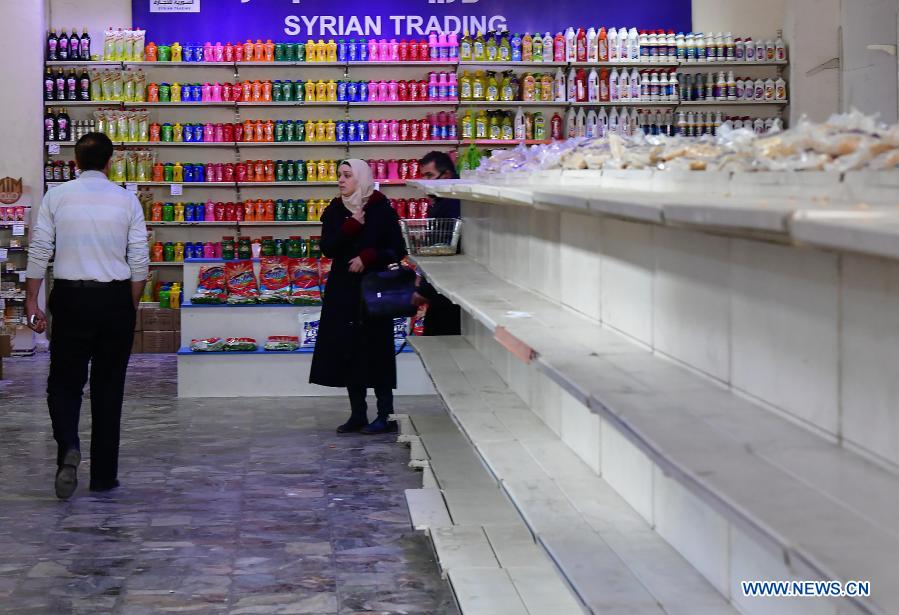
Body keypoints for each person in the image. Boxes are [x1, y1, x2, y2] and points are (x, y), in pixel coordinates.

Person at [25, 132, 149, 499]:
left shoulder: (56, 196)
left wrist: (32, 300)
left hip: (71, 298)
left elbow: (40, 248)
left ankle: (68, 446)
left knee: (64, 383)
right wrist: (130, 305)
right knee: (109, 388)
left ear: (76, 162)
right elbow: (139, 259)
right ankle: (104, 477)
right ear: (111, 163)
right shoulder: (127, 200)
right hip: (114, 298)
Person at [310, 159, 408, 435]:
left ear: (362, 178)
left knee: (378, 351)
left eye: (347, 175)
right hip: (344, 291)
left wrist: (369, 256)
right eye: (339, 175)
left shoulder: (381, 209)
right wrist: (350, 226)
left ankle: (385, 415)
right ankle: (358, 414)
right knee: (350, 350)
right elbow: (328, 248)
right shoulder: (335, 210)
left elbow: (398, 249)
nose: (341, 180)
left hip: (375, 291)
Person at [413, 151, 462, 336]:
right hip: (445, 289)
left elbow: (442, 251)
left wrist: (423, 290)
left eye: (429, 175)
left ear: (446, 175)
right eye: (423, 176)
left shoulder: (450, 205)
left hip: (448, 291)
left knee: (442, 338)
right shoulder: (445, 201)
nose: (425, 182)